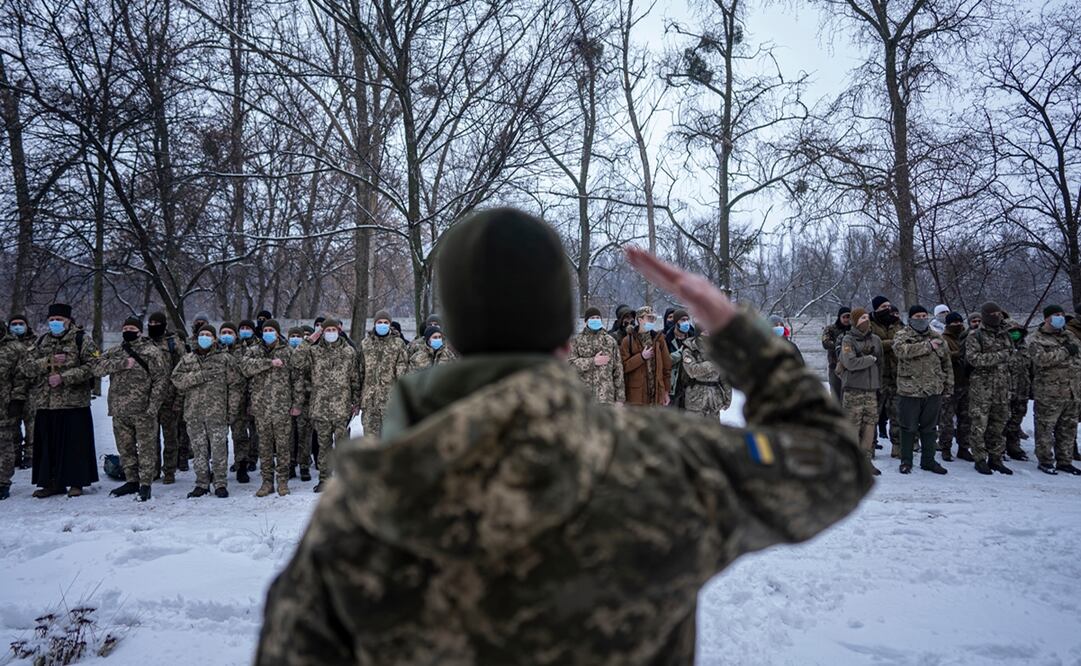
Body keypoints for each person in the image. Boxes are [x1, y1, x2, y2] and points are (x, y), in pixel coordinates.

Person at [255, 208, 872, 665]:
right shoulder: (670, 461)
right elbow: (837, 462)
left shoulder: (361, 505)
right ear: (567, 339)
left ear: (457, 338)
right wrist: (740, 335)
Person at [20, 304, 100, 498]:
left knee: (74, 445)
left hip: (73, 403)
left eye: (59, 319)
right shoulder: (41, 341)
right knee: (48, 445)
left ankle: (76, 482)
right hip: (46, 403)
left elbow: (94, 366)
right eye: (51, 319)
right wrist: (49, 362)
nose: (55, 323)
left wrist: (65, 377)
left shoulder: (82, 339)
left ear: (68, 320)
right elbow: (26, 367)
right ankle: (51, 482)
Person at [96, 317, 168, 501]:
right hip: (119, 410)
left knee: (146, 448)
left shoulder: (151, 352)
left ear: (139, 331)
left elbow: (161, 380)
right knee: (125, 448)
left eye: (132, 328)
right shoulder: (115, 351)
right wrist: (121, 364)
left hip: (143, 410)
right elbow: (96, 368)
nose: (128, 330)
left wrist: (153, 406)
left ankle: (145, 483)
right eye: (125, 327)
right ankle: (131, 480)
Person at [291, 318, 359, 492]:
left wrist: (356, 401)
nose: (330, 333)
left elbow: (354, 379)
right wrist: (310, 339)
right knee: (324, 446)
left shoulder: (349, 352)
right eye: (326, 330)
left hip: (342, 407)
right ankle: (324, 479)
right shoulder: (314, 351)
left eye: (333, 330)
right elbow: (296, 360)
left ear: (339, 330)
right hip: (320, 407)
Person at [172, 324, 234, 498]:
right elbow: (176, 380)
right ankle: (201, 483)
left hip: (217, 412)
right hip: (194, 413)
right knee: (199, 450)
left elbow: (235, 385)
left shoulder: (225, 359)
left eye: (208, 335)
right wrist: (198, 377)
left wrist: (232, 409)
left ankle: (220, 483)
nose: (204, 337)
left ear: (215, 338)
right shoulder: (188, 359)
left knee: (219, 450)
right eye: (202, 335)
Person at [241, 319, 298, 497]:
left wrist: (296, 404)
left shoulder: (288, 351)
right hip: (261, 407)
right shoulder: (253, 351)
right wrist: (269, 363)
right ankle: (267, 482)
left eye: (271, 330)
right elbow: (245, 368)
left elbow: (297, 380)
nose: (268, 332)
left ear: (277, 332)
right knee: (264, 447)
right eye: (265, 330)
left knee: (283, 446)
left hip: (282, 407)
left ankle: (282, 481)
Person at [892, 306, 951, 475]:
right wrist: (927, 346)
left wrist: (948, 385)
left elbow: (946, 363)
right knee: (908, 427)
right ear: (911, 319)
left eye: (925, 316)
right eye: (918, 316)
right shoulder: (902, 335)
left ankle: (928, 461)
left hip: (933, 390)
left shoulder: (937, 337)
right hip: (910, 390)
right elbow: (900, 351)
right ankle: (906, 461)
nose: (922, 318)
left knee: (930, 428)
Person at [1028, 305, 1081, 475]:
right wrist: (1065, 351)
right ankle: (1045, 460)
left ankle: (1064, 461)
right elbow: (1041, 360)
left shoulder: (1070, 337)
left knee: (1068, 428)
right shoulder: (1036, 338)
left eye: (1062, 314)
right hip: (1049, 392)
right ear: (1046, 318)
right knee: (1045, 428)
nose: (1060, 317)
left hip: (1071, 391)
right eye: (1056, 315)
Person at [964, 302, 1014, 475]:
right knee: (979, 425)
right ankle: (979, 458)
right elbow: (973, 359)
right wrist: (1000, 356)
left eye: (998, 313)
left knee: (998, 425)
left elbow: (1012, 355)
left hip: (1002, 387)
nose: (997, 316)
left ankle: (996, 458)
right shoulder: (975, 336)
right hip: (982, 388)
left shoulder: (1005, 334)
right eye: (992, 313)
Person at [839, 308, 883, 476]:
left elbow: (881, 364)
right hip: (854, 390)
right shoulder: (848, 340)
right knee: (852, 427)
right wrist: (869, 359)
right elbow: (850, 363)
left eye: (867, 317)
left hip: (871, 390)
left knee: (870, 426)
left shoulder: (876, 340)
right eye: (862, 317)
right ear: (855, 320)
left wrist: (878, 383)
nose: (866, 320)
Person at [358, 311, 408, 437]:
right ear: (375, 324)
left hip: (390, 401)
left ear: (390, 324)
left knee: (391, 439)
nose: (382, 325)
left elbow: (402, 371)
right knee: (370, 440)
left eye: (386, 322)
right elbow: (360, 372)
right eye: (379, 322)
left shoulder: (398, 344)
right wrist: (358, 398)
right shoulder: (366, 344)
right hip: (369, 402)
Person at [568, 307, 625, 405]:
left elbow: (618, 370)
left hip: (606, 398)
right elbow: (569, 365)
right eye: (592, 318)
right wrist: (592, 361)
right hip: (583, 398)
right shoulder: (576, 341)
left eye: (598, 318)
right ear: (586, 322)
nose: (596, 320)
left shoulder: (610, 341)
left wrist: (620, 399)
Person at [676, 321, 731, 419]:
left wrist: (728, 396)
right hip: (695, 399)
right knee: (694, 431)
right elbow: (693, 371)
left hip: (714, 399)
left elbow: (724, 376)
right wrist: (713, 363)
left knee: (714, 432)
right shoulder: (690, 348)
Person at [219, 322, 252, 483]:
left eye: (229, 332)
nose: (226, 335)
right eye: (223, 332)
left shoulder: (245, 351)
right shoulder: (215, 351)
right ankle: (219, 468)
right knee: (218, 438)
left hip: (240, 400)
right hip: (217, 401)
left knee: (239, 436)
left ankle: (242, 466)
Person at [869, 296, 902, 456]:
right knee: (873, 413)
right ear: (876, 308)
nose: (887, 309)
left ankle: (897, 446)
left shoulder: (897, 324)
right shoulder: (868, 324)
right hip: (877, 374)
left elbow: (905, 342)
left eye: (889, 306)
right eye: (883, 306)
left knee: (896, 412)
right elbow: (871, 345)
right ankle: (871, 445)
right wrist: (892, 343)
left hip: (896, 374)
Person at [620, 306, 673, 406]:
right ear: (640, 320)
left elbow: (667, 367)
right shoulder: (628, 341)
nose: (652, 321)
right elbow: (623, 366)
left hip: (657, 393)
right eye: (649, 318)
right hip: (637, 395)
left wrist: (666, 391)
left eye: (653, 318)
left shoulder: (659, 339)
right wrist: (641, 357)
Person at [938, 312, 971, 461]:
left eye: (960, 322)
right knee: (946, 420)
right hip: (949, 385)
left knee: (966, 419)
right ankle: (945, 447)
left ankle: (964, 447)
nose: (958, 325)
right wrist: (958, 354)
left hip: (966, 383)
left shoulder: (967, 337)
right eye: (954, 322)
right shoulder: (942, 339)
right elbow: (942, 355)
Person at [0, 321, 27, 499]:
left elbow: (22, 375)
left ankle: (3, 482)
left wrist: (17, 398)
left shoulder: (15, 348)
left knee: (4, 444)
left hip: (4, 404)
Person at [6, 314, 33, 469]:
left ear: (27, 325)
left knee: (32, 424)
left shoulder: (36, 342)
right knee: (12, 424)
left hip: (32, 391)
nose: (17, 326)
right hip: (10, 391)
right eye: (14, 324)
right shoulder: (6, 343)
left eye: (20, 323)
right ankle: (15, 453)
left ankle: (30, 455)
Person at [287, 327, 313, 481]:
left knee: (305, 435)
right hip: (286, 401)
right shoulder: (283, 353)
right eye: (294, 336)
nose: (297, 339)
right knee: (289, 436)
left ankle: (304, 465)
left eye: (300, 336)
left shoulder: (310, 354)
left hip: (306, 401)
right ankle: (290, 464)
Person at [1003, 320, 1031, 461]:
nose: (1015, 334)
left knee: (1016, 420)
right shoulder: (1001, 347)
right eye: (1012, 331)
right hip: (1005, 390)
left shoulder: (1025, 348)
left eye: (1018, 331)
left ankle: (1013, 446)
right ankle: (999, 448)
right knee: (1002, 421)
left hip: (1022, 390)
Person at [821, 307, 851, 401]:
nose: (846, 319)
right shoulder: (831, 329)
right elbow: (825, 343)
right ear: (839, 317)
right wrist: (840, 345)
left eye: (848, 317)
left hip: (850, 367)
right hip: (835, 366)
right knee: (836, 395)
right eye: (844, 317)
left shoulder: (853, 330)